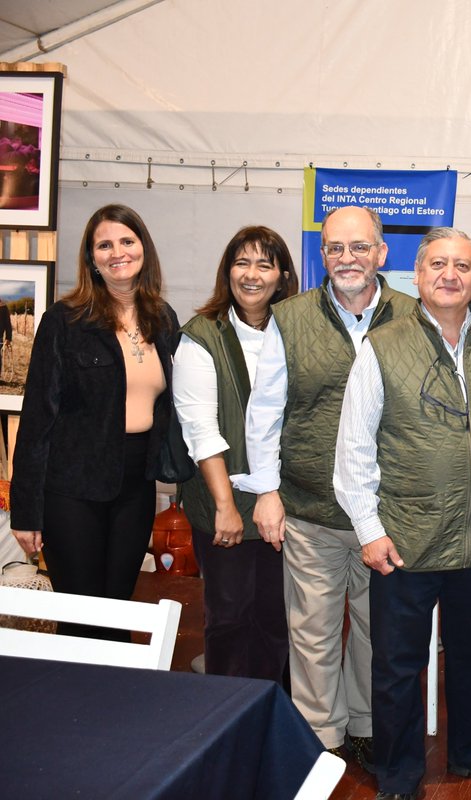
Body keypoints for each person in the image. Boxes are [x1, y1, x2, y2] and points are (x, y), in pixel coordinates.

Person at [334, 228, 471, 800]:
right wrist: (369, 528)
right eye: (438, 264)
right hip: (404, 540)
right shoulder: (383, 346)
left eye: (462, 266)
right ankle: (397, 774)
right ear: (418, 276)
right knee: (395, 669)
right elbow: (354, 446)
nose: (449, 275)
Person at [237, 205, 416, 767]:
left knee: (372, 632)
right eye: (335, 248)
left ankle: (364, 728)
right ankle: (320, 739)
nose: (347, 259)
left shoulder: (413, 315)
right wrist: (266, 492)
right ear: (322, 257)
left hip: (384, 517)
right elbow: (264, 412)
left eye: (358, 247)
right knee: (312, 633)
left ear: (382, 253)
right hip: (309, 508)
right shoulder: (288, 318)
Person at [11, 204, 181, 640]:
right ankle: (75, 706)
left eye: (127, 241)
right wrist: (26, 512)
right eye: (104, 245)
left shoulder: (163, 319)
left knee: (118, 612)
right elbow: (36, 420)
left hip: (135, 486)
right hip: (72, 489)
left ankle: (113, 704)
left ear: (144, 248)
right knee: (81, 616)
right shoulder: (64, 321)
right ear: (91, 258)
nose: (117, 252)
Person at [172, 225, 298, 683]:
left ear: (282, 276)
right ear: (227, 273)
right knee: (228, 617)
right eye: (241, 263)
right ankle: (225, 720)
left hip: (284, 506)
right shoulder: (202, 335)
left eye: (264, 264)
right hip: (225, 504)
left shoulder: (296, 330)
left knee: (276, 619)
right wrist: (226, 507)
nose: (252, 274)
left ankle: (271, 718)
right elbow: (201, 430)